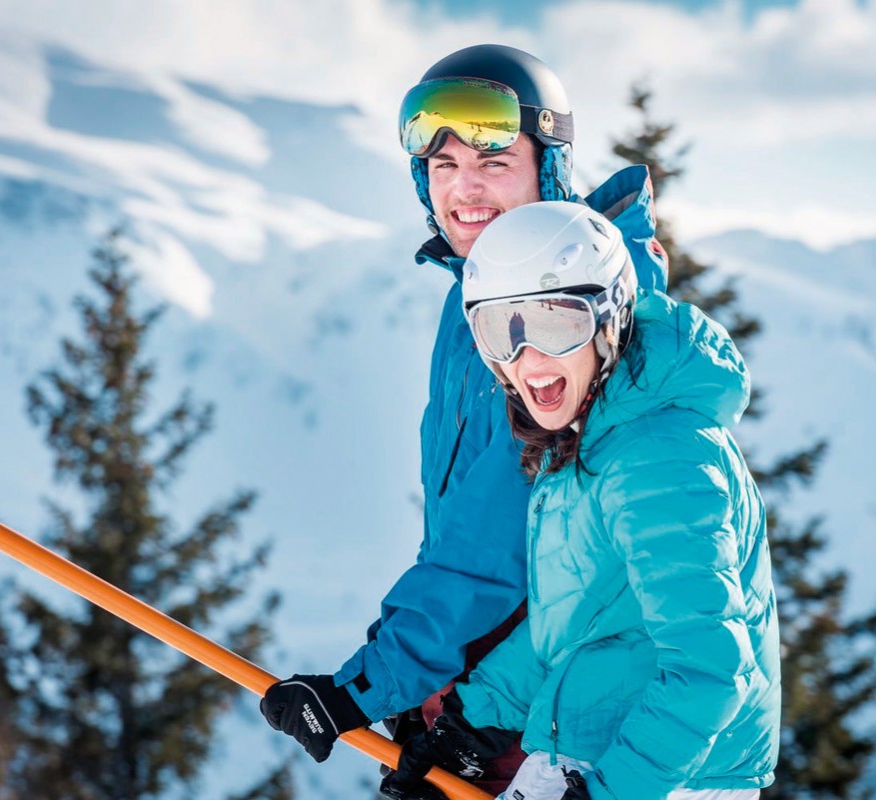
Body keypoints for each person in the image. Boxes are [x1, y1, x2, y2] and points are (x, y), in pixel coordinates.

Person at [259, 45, 670, 795]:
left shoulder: (569, 310)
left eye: (491, 164)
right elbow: (462, 532)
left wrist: (368, 685)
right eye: (442, 168)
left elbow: (504, 537)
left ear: (547, 169)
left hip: (559, 709)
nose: (463, 190)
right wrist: (436, 682)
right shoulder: (476, 292)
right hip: (494, 682)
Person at [384, 201, 781, 800]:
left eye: (555, 323)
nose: (528, 360)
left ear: (610, 315)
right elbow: (574, 622)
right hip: (590, 752)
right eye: (501, 331)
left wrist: (610, 792)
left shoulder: (658, 452)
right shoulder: (584, 435)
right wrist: (471, 724)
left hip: (670, 777)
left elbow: (711, 670)